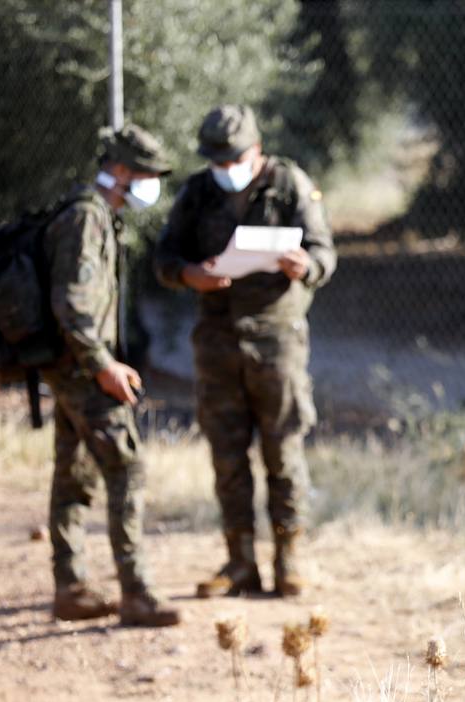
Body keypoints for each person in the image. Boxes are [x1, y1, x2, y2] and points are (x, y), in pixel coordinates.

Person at [153, 105, 336, 598]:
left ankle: (289, 560)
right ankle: (239, 562)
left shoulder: (290, 184)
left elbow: (325, 252)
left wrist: (306, 266)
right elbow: (165, 258)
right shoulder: (197, 191)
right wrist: (191, 275)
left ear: (256, 150)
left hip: (277, 341)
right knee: (227, 455)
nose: (225, 168)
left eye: (233, 158)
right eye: (216, 160)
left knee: (284, 449)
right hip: (216, 341)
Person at [44, 124, 181, 627]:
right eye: (146, 173)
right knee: (124, 469)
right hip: (83, 368)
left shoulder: (93, 213)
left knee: (74, 473)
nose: (151, 183)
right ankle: (136, 593)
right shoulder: (87, 220)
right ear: (121, 171)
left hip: (68, 366)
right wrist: (104, 367)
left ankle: (71, 587)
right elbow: (72, 307)